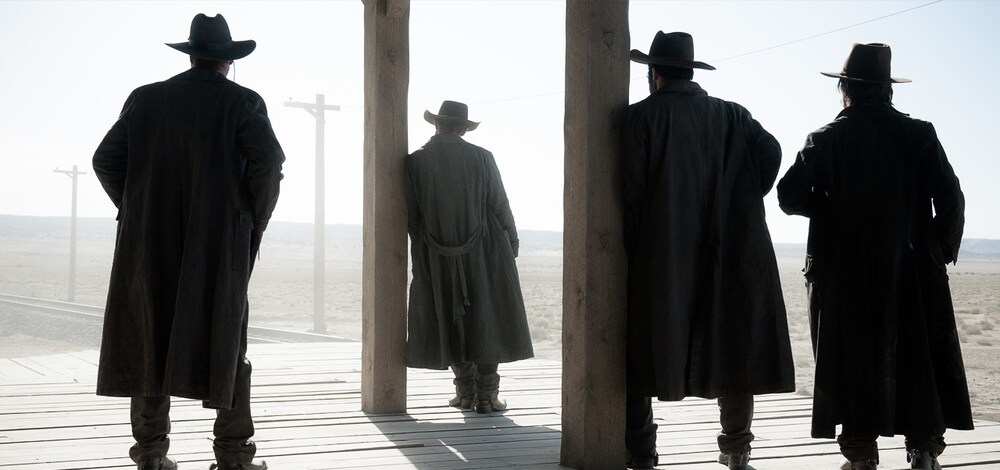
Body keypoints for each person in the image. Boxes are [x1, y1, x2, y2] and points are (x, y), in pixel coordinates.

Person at [92, 13, 284, 470]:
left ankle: (151, 455)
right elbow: (268, 165)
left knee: (148, 338)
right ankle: (234, 457)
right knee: (228, 339)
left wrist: (138, 209)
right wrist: (253, 221)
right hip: (218, 243)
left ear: (192, 56)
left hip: (148, 242)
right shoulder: (242, 101)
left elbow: (105, 160)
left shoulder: (145, 98)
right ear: (227, 61)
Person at [776, 43, 972, 470]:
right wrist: (936, 251)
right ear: (888, 89)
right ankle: (924, 451)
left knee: (851, 360)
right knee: (918, 356)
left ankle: (861, 456)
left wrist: (832, 210)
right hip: (911, 269)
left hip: (845, 272)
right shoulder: (919, 133)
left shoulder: (827, 138)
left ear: (845, 88)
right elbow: (952, 199)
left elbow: (789, 196)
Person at [621, 31, 795, 470]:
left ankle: (642, 453)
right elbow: (771, 151)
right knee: (734, 344)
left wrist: (640, 243)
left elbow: (632, 194)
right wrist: (742, 199)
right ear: (689, 72)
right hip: (732, 247)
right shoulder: (733, 114)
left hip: (664, 252)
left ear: (654, 73)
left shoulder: (640, 117)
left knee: (642, 347)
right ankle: (736, 449)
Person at [404, 100, 534, 414]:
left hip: (436, 253)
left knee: (448, 316)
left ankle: (464, 392)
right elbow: (500, 206)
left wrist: (426, 250)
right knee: (488, 316)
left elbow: (413, 217)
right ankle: (486, 397)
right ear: (463, 129)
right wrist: (512, 243)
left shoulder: (415, 161)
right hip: (487, 251)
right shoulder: (482, 157)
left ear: (437, 124)